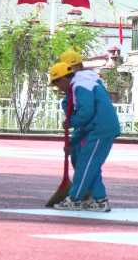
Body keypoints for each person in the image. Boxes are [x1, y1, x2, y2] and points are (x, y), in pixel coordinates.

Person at [48, 62, 120, 212]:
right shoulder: (85, 82)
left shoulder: (80, 86)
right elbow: (85, 120)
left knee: (86, 164)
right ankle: (100, 200)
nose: (59, 89)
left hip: (100, 128)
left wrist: (70, 122)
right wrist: (72, 142)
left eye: (57, 85)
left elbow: (86, 113)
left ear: (62, 79)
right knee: (90, 165)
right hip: (98, 127)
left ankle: (75, 199)